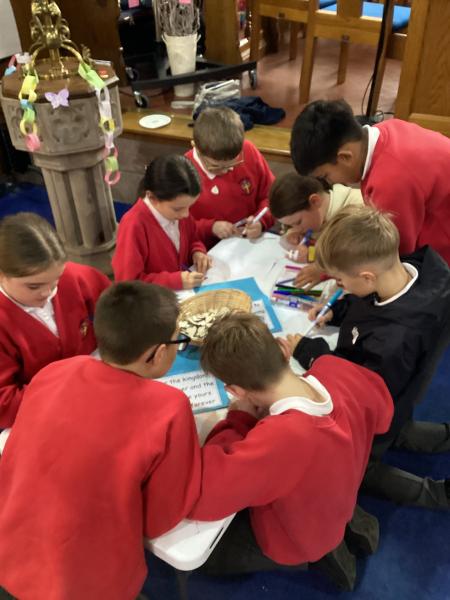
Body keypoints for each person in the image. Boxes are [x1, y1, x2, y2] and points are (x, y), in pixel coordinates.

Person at [0, 281, 201, 600]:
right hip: (86, 581)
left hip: (11, 551)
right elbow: (161, 518)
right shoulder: (170, 406)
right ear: (158, 353)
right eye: (178, 341)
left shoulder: (55, 371)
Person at [190, 312, 393, 591]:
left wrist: (238, 419)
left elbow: (203, 494)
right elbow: (384, 415)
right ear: (284, 349)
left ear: (235, 391)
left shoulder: (278, 440)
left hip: (299, 537)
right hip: (343, 492)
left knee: (209, 558)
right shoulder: (333, 366)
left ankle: (318, 559)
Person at [287, 205, 450, 509]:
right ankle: (438, 437)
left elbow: (360, 393)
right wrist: (338, 310)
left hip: (381, 406)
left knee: (362, 466)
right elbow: (372, 304)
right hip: (402, 392)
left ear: (366, 276)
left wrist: (311, 353)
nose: (340, 286)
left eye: (340, 281)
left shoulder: (394, 339)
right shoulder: (413, 268)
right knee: (399, 426)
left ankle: (435, 494)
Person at [290, 99, 450, 265]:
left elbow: (392, 257)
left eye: (325, 176)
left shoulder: (390, 182)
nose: (331, 182)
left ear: (345, 157)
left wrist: (325, 266)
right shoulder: (385, 129)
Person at [0, 212, 110, 429]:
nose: (48, 293)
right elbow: (4, 404)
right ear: (2, 275)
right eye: (34, 286)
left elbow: (121, 310)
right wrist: (71, 391)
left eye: (56, 280)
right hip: (43, 413)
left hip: (97, 383)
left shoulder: (73, 277)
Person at [112, 154, 211, 290]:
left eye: (190, 206)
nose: (186, 214)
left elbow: (193, 238)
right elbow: (128, 285)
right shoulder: (133, 225)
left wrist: (197, 251)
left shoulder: (179, 210)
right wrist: (175, 281)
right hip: (155, 299)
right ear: (152, 197)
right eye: (178, 209)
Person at [186, 107, 275, 248]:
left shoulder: (248, 151)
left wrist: (261, 221)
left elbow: (272, 196)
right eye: (215, 166)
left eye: (234, 163)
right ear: (195, 146)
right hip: (208, 251)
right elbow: (177, 227)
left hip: (251, 242)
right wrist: (210, 228)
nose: (226, 170)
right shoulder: (183, 173)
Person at [269, 172, 363, 288]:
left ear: (314, 201)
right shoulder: (318, 213)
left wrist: (322, 268)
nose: (297, 229)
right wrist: (292, 234)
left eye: (298, 223)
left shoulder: (356, 215)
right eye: (290, 225)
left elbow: (358, 260)